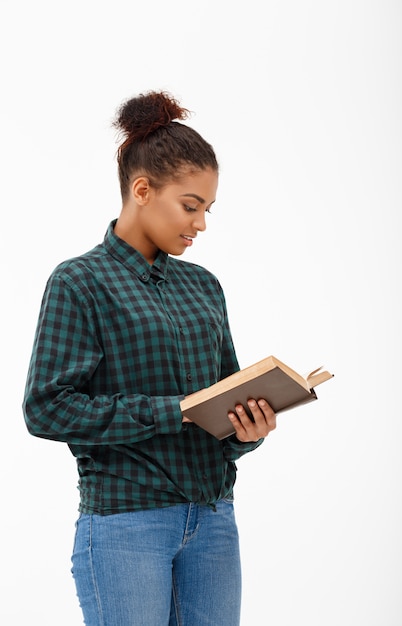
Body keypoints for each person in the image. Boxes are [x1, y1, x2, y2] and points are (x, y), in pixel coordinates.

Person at [22, 90, 277, 626]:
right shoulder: (80, 282)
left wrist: (246, 431)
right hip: (125, 525)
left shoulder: (204, 286)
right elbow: (46, 409)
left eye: (208, 209)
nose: (201, 224)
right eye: (190, 206)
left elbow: (219, 401)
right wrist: (173, 411)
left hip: (212, 521)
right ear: (142, 190)